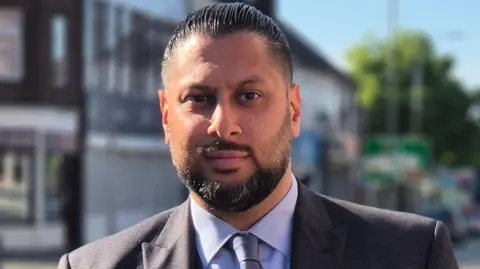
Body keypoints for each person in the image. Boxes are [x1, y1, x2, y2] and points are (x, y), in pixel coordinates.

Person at [58, 3, 458, 269]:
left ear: (294, 109)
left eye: (249, 96)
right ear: (166, 117)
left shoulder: (410, 254)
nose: (223, 124)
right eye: (198, 98)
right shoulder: (93, 267)